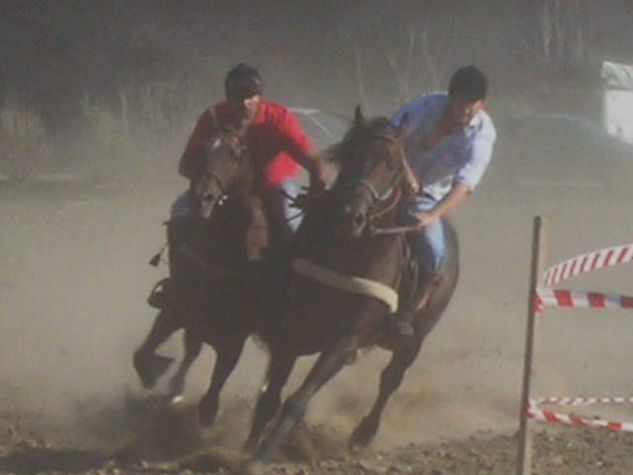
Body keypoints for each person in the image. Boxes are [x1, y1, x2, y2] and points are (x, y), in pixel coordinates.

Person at [149, 63, 328, 309]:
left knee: (289, 220)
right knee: (179, 211)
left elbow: (315, 163)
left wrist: (316, 194)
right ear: (228, 99)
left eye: (250, 97)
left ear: (259, 98)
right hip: (225, 186)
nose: (244, 104)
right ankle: (176, 284)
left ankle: (305, 286)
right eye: (237, 98)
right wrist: (209, 180)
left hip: (273, 183)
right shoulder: (213, 118)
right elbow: (185, 164)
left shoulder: (279, 119)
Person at [389, 65, 497, 338]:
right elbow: (391, 138)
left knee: (434, 251)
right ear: (450, 97)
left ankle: (410, 310)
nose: (463, 111)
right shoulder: (426, 106)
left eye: (471, 106)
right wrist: (405, 172)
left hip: (429, 195)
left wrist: (432, 216)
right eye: (459, 103)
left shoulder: (482, 136)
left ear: (482, 104)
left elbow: (464, 185)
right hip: (390, 176)